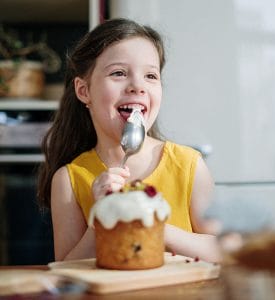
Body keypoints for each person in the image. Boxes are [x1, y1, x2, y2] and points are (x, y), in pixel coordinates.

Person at [37, 18, 221, 263]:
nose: (138, 86)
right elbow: (66, 271)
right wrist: (102, 219)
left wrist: (150, 224)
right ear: (84, 91)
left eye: (150, 76)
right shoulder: (69, 180)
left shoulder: (189, 165)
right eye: (119, 73)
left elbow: (224, 251)